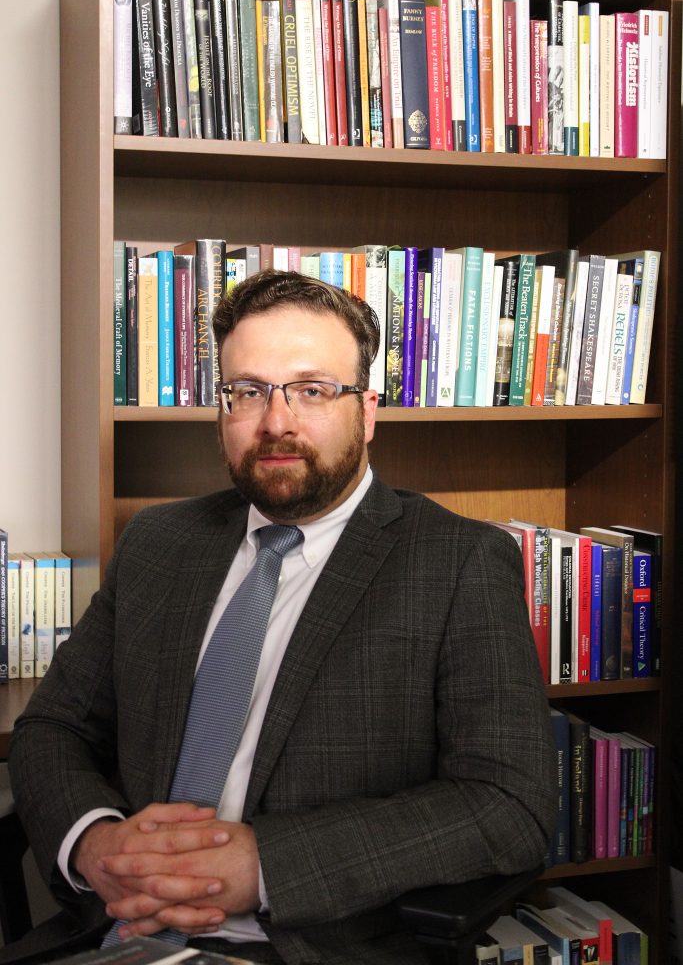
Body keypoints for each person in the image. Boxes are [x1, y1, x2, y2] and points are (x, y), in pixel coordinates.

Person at [8, 270, 556, 965]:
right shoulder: (158, 542)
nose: (275, 422)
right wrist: (94, 841)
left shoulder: (459, 562)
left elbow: (509, 804)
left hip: (310, 944)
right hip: (120, 931)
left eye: (312, 389)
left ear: (368, 411)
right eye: (247, 392)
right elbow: (52, 726)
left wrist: (266, 864)